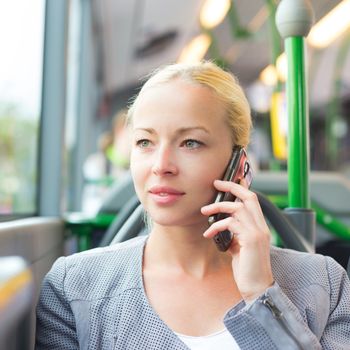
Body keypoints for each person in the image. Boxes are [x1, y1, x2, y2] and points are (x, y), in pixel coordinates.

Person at [35, 61, 350, 349]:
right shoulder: (75, 286)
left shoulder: (323, 284)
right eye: (145, 142)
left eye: (191, 143)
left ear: (239, 165)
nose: (162, 165)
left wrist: (262, 295)